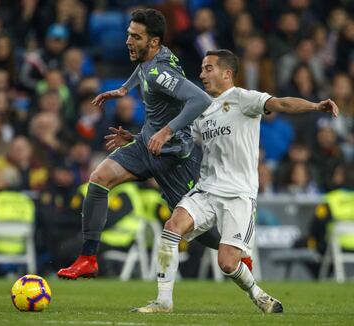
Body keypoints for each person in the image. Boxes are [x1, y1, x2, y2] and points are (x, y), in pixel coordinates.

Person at [129, 49, 338, 313]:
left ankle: (258, 294)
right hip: (206, 189)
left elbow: (282, 103)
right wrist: (137, 140)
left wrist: (316, 105)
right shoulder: (201, 109)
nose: (201, 74)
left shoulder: (244, 99)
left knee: (227, 263)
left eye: (208, 68)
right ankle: (163, 301)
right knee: (172, 227)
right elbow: (177, 137)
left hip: (239, 194)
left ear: (227, 73)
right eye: (202, 68)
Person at [57, 8, 224, 280]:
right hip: (146, 146)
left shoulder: (161, 70)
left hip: (174, 158)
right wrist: (124, 88)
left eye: (135, 36)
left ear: (154, 41)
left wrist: (166, 132)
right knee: (98, 180)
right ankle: (87, 259)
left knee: (197, 231)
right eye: (128, 34)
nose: (128, 41)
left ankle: (238, 248)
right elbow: (143, 69)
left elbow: (201, 100)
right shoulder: (153, 56)